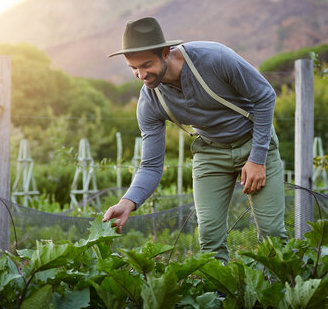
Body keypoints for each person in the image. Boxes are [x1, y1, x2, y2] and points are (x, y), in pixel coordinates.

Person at [102, 16, 287, 262]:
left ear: (166, 52)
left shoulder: (215, 58)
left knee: (272, 234)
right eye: (133, 68)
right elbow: (151, 165)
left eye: (146, 64)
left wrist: (257, 158)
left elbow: (265, 96)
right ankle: (220, 298)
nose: (141, 74)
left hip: (254, 142)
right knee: (209, 238)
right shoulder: (149, 102)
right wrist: (127, 203)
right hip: (210, 154)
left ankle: (283, 297)